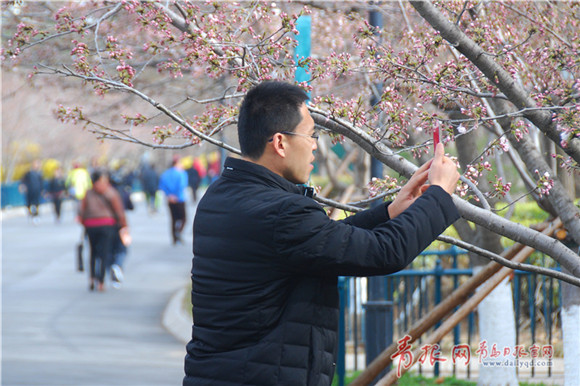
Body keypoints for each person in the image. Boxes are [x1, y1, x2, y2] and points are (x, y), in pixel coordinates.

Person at [183, 81, 461, 386]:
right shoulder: (281, 212)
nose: (315, 144)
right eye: (311, 134)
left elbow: (318, 243)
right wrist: (439, 195)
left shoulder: (222, 195)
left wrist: (390, 213)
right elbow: (383, 252)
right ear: (280, 143)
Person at [78, 169, 129, 292]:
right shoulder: (110, 192)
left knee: (93, 252)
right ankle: (101, 281)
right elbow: (118, 211)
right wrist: (123, 225)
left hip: (90, 225)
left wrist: (85, 222)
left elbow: (81, 211)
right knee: (104, 253)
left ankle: (91, 278)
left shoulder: (88, 193)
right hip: (107, 224)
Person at [158, 156, 188, 244]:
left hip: (170, 199)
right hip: (180, 199)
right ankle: (178, 232)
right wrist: (177, 196)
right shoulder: (181, 173)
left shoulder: (165, 174)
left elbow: (162, 185)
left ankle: (174, 238)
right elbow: (182, 186)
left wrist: (169, 195)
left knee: (173, 219)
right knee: (183, 218)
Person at [20, 160, 44, 224]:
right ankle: (30, 212)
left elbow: (41, 183)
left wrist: (42, 190)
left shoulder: (39, 174)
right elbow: (23, 181)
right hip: (30, 191)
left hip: (37, 191)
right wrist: (23, 187)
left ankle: (35, 216)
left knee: (36, 204)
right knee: (29, 204)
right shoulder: (28, 173)